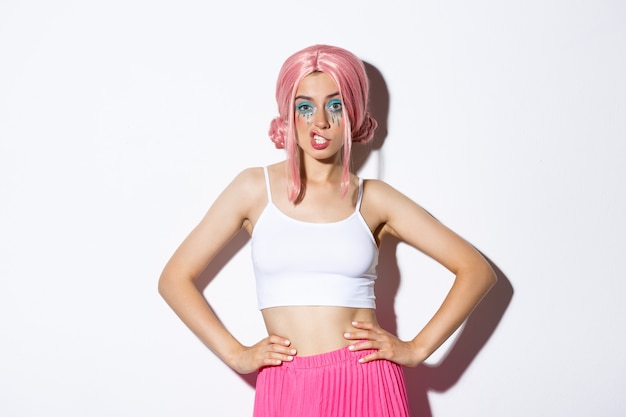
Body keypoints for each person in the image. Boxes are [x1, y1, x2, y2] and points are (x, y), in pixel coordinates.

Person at [158, 44, 497, 417]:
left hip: (367, 381)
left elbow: (476, 270)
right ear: (289, 113)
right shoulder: (254, 189)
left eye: (334, 105)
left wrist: (416, 349)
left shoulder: (374, 199)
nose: (319, 121)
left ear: (352, 112)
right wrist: (236, 354)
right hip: (286, 385)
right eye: (305, 106)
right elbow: (174, 278)